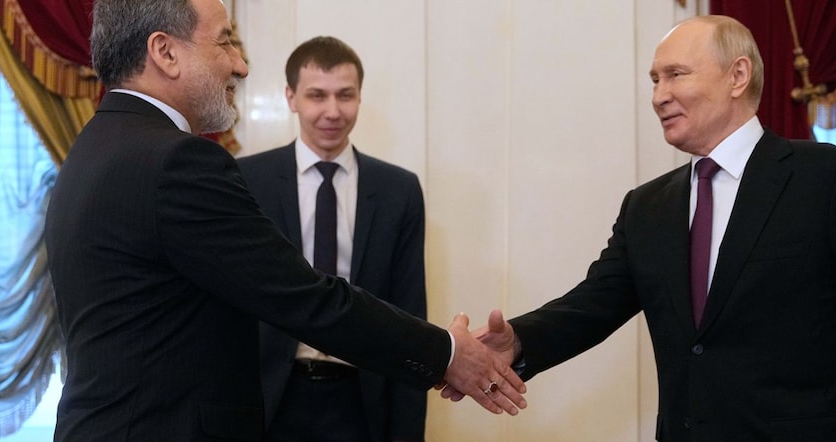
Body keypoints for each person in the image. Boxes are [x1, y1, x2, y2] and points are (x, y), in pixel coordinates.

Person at [445, 15, 836, 441]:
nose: (659, 94)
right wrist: (517, 339)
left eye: (676, 74)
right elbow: (591, 306)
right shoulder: (647, 207)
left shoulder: (827, 180)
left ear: (739, 75)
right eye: (654, 79)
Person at [44, 0, 524, 440]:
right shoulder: (176, 163)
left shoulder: (97, 146)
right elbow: (305, 298)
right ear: (165, 52)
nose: (240, 64)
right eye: (226, 41)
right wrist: (448, 353)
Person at [236, 36, 429, 441]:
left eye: (345, 95)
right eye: (316, 95)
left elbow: (410, 314)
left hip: (362, 402)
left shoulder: (399, 190)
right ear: (291, 97)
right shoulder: (247, 180)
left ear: (360, 97)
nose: (332, 111)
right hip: (267, 399)